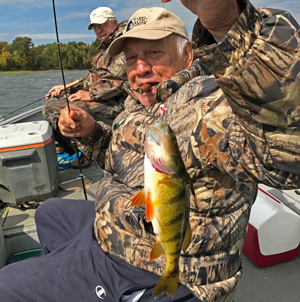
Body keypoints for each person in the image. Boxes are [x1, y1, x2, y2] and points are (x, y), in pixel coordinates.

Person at [1, 1, 300, 302]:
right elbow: (125, 159)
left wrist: (230, 24)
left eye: (154, 53)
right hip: (118, 225)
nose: (140, 68)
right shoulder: (142, 102)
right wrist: (93, 134)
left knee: (5, 287)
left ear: (188, 54)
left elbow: (286, 151)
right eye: (131, 58)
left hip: (150, 266)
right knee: (49, 213)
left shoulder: (209, 104)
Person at [43, 6, 128, 168]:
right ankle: (74, 147)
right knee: (56, 103)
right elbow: (90, 80)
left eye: (102, 24)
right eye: (95, 27)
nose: (99, 30)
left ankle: (84, 152)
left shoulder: (122, 44)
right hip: (105, 100)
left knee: (60, 109)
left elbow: (120, 80)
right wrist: (68, 88)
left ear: (114, 22)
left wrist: (91, 95)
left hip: (119, 104)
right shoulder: (103, 53)